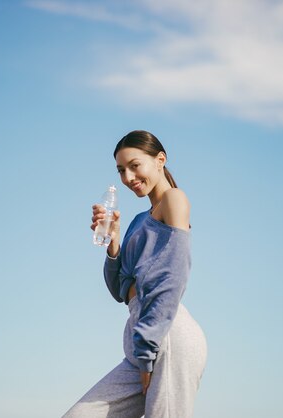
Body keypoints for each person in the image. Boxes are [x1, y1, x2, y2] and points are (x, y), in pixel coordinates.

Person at [62, 130, 207, 418]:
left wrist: (147, 350)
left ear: (160, 160)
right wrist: (114, 240)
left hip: (165, 335)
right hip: (141, 337)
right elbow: (119, 290)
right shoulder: (141, 219)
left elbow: (172, 277)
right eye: (121, 170)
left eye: (134, 165)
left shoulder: (174, 199)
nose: (128, 177)